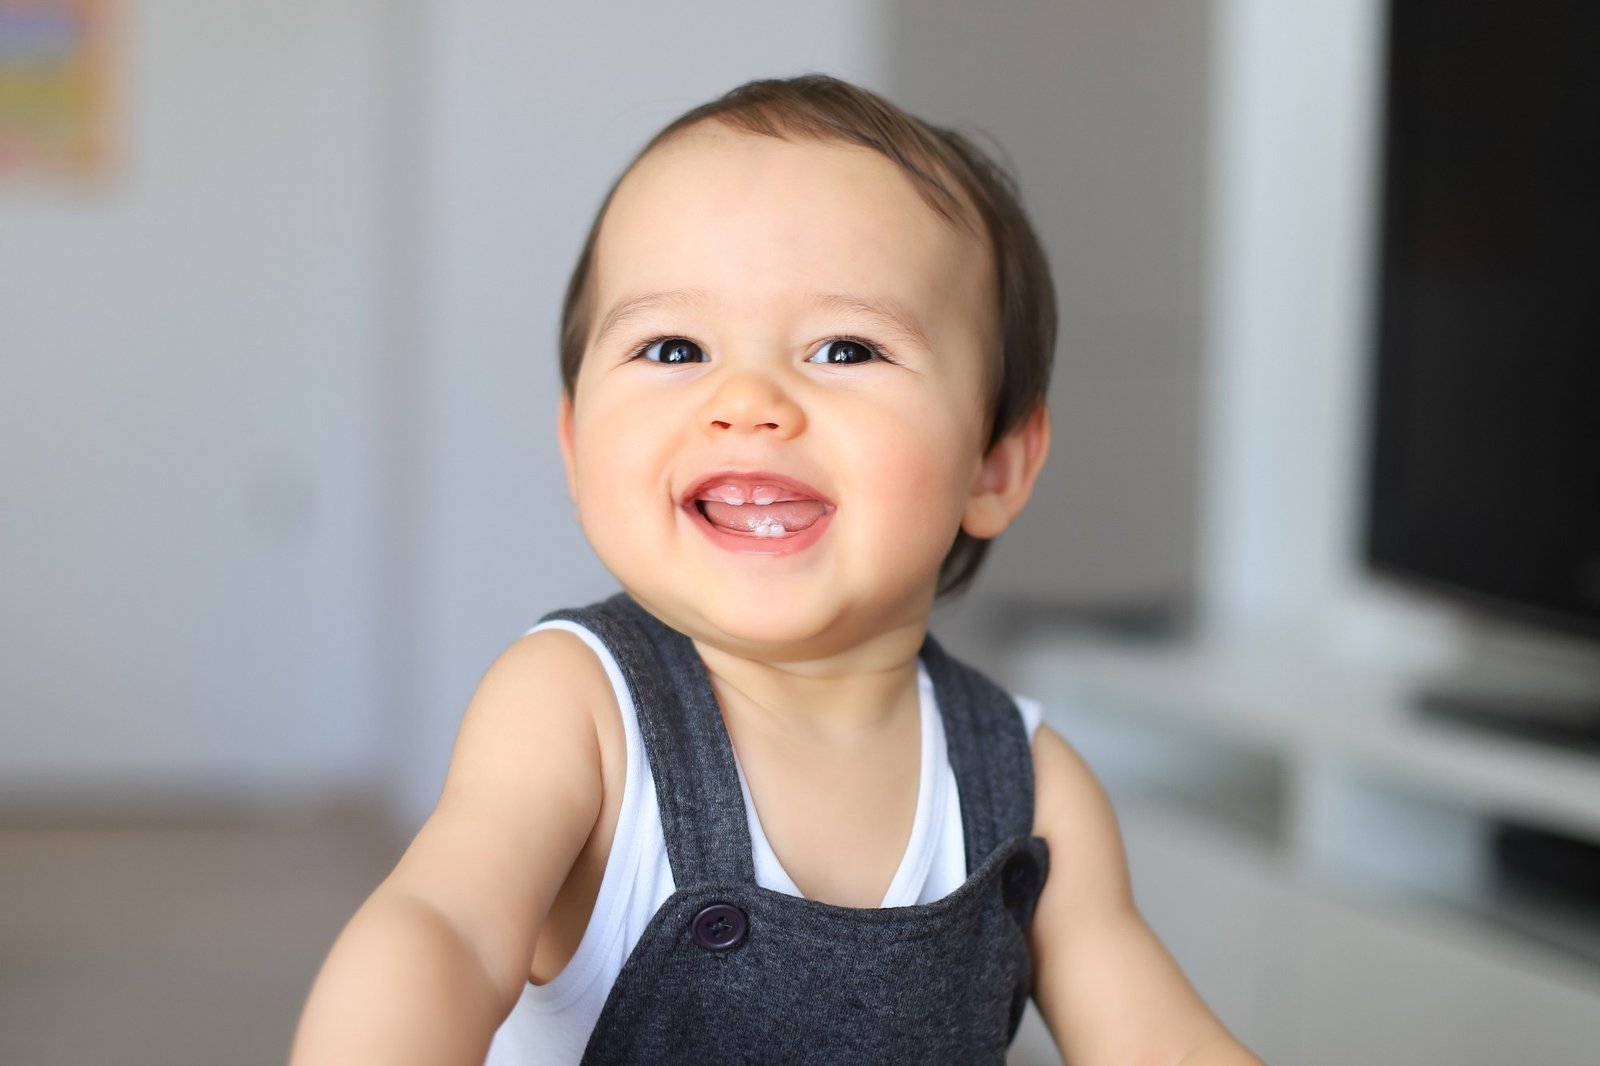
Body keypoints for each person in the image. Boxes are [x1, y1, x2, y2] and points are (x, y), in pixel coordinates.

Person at [292, 75, 1260, 1065]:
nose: (748, 401)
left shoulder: (1032, 790)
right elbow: (443, 932)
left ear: (994, 466)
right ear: (577, 446)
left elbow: (1162, 1043)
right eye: (675, 347)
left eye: (844, 349)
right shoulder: (574, 710)